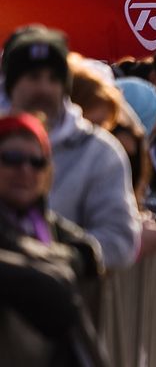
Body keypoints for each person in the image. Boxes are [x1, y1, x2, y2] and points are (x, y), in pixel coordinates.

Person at [1, 28, 138, 271]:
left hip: (68, 298)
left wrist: (61, 260)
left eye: (53, 79)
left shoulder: (100, 152)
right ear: (11, 85)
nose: (44, 88)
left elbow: (120, 240)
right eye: (33, 77)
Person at [0, 113, 108, 367]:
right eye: (11, 159)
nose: (25, 170)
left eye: (37, 161)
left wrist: (49, 260)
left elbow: (89, 251)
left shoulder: (45, 222)